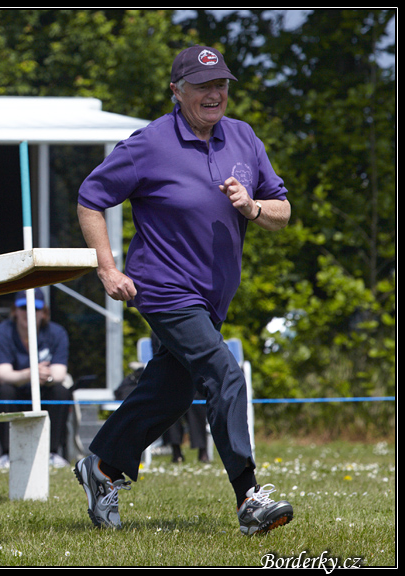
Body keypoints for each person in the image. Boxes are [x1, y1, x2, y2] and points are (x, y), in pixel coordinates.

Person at [73, 45, 293, 535]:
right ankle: (249, 497)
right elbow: (91, 198)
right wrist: (107, 269)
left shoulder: (243, 137)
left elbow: (283, 211)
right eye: (202, 86)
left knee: (171, 390)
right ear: (177, 91)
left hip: (214, 295)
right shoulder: (150, 143)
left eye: (221, 85)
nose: (215, 94)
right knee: (223, 372)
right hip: (163, 286)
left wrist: (253, 207)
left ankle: (103, 466)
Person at [0, 288, 72, 468]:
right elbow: (3, 375)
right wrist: (30, 374)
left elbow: (59, 374)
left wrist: (43, 377)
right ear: (15, 310)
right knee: (5, 392)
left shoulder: (57, 333)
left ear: (44, 312)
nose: (29, 313)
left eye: (35, 308)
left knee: (61, 391)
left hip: (44, 391)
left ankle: (52, 453)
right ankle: (8, 454)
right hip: (13, 393)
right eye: (23, 308)